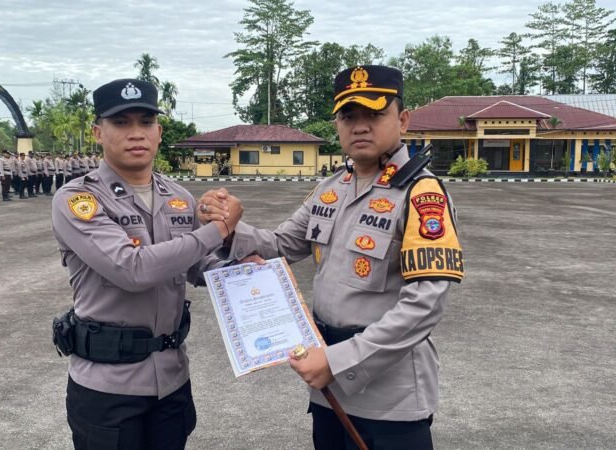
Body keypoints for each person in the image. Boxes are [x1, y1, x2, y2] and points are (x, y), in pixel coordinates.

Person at [199, 65, 464, 450]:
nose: (359, 126)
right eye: (348, 116)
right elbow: (279, 245)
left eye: (374, 114)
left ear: (402, 120)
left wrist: (337, 362)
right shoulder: (332, 189)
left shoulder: (421, 195)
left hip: (389, 396)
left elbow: (424, 306)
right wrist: (227, 226)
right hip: (328, 387)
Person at [51, 78, 243, 450]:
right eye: (121, 123)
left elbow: (195, 264)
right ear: (98, 132)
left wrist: (242, 270)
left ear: (158, 132)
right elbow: (132, 269)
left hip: (171, 380)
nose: (135, 133)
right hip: (108, 388)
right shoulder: (78, 198)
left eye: (145, 122)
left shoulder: (178, 196)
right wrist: (218, 229)